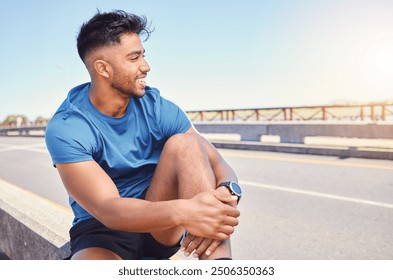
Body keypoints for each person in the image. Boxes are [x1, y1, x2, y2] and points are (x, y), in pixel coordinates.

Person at [45, 10, 242, 260]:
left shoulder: (156, 106)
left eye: (143, 56)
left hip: (161, 225)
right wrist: (186, 210)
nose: (146, 67)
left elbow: (217, 162)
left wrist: (228, 191)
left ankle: (220, 266)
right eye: (134, 58)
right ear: (103, 68)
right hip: (104, 231)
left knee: (188, 143)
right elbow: (109, 210)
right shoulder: (68, 127)